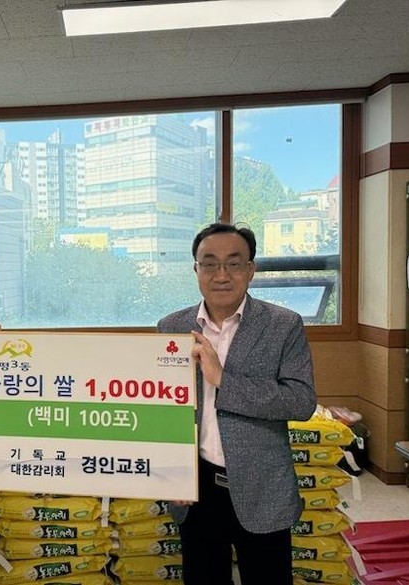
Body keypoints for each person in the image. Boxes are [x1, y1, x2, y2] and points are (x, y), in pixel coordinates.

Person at [157, 222, 317, 585]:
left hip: (263, 485)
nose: (221, 275)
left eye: (233, 263)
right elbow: (163, 410)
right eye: (209, 264)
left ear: (251, 269)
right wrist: (171, 472)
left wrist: (223, 380)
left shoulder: (283, 325)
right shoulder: (171, 327)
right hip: (196, 486)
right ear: (196, 269)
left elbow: (301, 401)